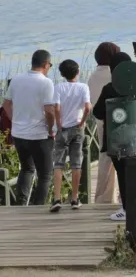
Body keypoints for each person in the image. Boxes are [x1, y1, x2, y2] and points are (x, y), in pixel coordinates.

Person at [93, 52, 136, 221]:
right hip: (135, 134)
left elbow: (97, 112)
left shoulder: (109, 88)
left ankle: (127, 208)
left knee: (122, 173)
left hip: (114, 137)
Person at [1, 50, 55, 206]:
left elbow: (6, 104)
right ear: (45, 64)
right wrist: (50, 128)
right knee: (45, 175)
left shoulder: (17, 79)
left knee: (26, 169)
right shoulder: (46, 82)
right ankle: (38, 207)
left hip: (19, 134)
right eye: (50, 65)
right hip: (39, 135)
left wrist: (15, 119)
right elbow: (50, 111)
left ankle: (21, 204)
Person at [50, 59, 91, 212]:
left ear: (62, 74)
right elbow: (87, 107)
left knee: (58, 164)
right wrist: (82, 123)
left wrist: (59, 124)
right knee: (76, 164)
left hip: (62, 129)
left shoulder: (58, 87)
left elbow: (57, 108)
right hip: (77, 128)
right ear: (77, 72)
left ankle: (56, 199)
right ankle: (74, 199)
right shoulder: (83, 87)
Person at [89, 42, 120, 204]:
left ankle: (103, 197)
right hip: (119, 121)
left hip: (100, 120)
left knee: (105, 158)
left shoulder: (92, 76)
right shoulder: (115, 74)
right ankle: (125, 196)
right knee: (123, 158)